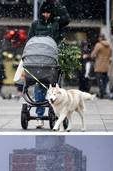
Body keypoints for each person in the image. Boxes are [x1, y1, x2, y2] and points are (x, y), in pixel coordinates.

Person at [27, 0, 70, 128]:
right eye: (44, 12)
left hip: (52, 59)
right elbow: (30, 40)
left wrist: (57, 4)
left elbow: (66, 19)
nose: (46, 15)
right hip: (38, 60)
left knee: (54, 88)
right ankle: (39, 117)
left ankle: (57, 113)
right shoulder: (35, 24)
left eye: (48, 12)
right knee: (39, 87)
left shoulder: (56, 23)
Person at [91, 34, 112, 99]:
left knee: (99, 81)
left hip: (99, 66)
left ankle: (102, 94)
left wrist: (95, 57)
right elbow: (110, 54)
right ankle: (104, 92)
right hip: (106, 66)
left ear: (100, 38)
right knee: (105, 80)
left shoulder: (98, 45)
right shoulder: (109, 46)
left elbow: (93, 55)